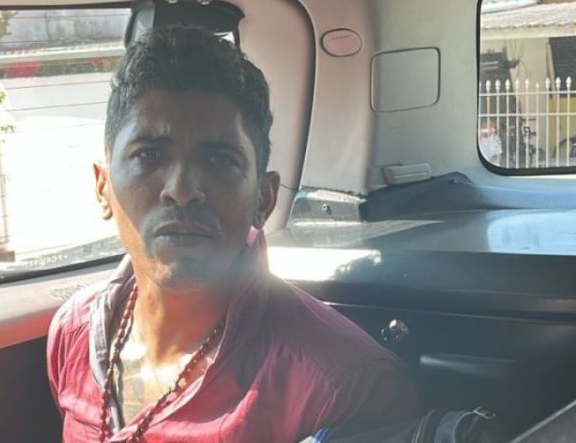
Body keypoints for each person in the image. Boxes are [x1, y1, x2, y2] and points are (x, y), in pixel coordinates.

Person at [47, 25, 418, 442]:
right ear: (103, 188)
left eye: (220, 160)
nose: (182, 190)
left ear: (264, 198)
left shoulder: (341, 384)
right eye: (148, 155)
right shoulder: (74, 331)